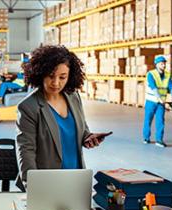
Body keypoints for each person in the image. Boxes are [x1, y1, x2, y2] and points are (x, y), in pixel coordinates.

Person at [15, 45, 112, 191]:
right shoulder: (28, 107)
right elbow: (25, 151)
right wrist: (32, 186)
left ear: (69, 76)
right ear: (40, 73)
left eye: (62, 77)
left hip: (76, 179)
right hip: (46, 182)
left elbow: (82, 128)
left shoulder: (73, 97)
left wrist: (88, 137)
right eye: (50, 76)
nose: (56, 83)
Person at [143, 56, 172, 148]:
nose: (164, 65)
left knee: (160, 121)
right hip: (151, 101)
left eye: (164, 63)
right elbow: (153, 87)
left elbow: (171, 86)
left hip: (161, 103)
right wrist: (159, 97)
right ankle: (146, 138)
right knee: (148, 120)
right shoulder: (151, 74)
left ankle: (159, 140)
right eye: (162, 64)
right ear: (157, 64)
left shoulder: (167, 75)